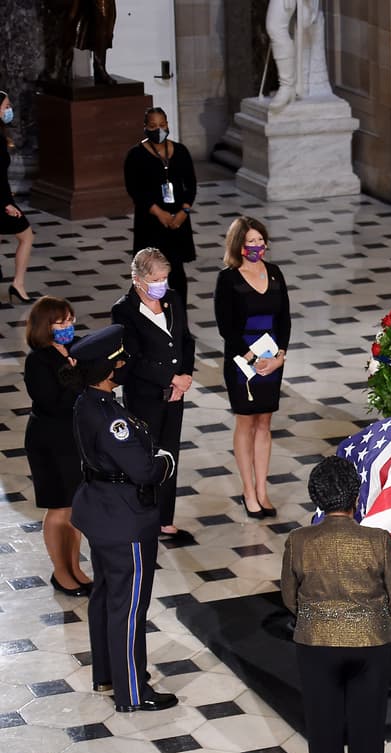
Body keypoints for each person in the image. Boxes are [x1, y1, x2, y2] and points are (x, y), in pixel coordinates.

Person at [280, 456, 391, 753]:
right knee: (368, 727)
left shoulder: (299, 540)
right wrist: (381, 621)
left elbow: (290, 596)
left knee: (323, 726)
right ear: (356, 495)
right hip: (371, 644)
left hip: (315, 644)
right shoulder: (377, 540)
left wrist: (311, 620)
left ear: (316, 497)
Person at [63, 325, 177, 712]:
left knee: (105, 597)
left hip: (101, 511)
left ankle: (107, 676)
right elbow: (145, 471)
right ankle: (132, 691)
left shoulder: (87, 401)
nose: (125, 364)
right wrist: (166, 461)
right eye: (120, 360)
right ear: (109, 370)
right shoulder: (111, 418)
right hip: (125, 517)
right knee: (128, 607)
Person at [111, 249, 195, 545]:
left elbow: (186, 339)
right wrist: (170, 378)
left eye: (165, 277)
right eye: (156, 279)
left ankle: (165, 519)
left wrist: (185, 377)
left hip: (175, 394)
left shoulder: (172, 299)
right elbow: (133, 358)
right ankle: (143, 515)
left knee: (170, 453)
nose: (162, 283)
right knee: (146, 455)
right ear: (138, 279)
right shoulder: (124, 311)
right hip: (145, 396)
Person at [213, 216, 291, 519]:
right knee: (246, 421)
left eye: (260, 241)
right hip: (241, 361)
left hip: (272, 360)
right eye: (251, 242)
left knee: (265, 422)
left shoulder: (274, 273)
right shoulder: (228, 279)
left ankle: (262, 490)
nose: (257, 246)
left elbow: (284, 317)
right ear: (239, 246)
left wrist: (280, 356)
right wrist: (250, 358)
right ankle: (248, 491)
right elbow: (226, 327)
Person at [24, 297, 91, 597]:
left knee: (76, 506)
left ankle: (75, 566)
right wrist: (75, 378)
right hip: (49, 440)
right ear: (45, 326)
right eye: (60, 322)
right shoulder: (37, 360)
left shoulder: (77, 348)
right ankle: (60, 571)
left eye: (70, 320)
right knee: (59, 507)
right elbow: (51, 403)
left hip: (76, 436)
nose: (67, 327)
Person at [123, 108, 197, 304]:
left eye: (162, 125)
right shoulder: (136, 156)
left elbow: (191, 184)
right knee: (149, 271)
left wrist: (184, 211)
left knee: (177, 271)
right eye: (154, 126)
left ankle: (182, 325)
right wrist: (159, 213)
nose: (159, 130)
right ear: (146, 127)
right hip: (151, 223)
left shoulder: (180, 152)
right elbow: (135, 190)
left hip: (178, 222)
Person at [1, 91, 35, 304]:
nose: (9, 110)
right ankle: (18, 284)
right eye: (5, 107)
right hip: (2, 201)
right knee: (27, 236)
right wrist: (6, 204)